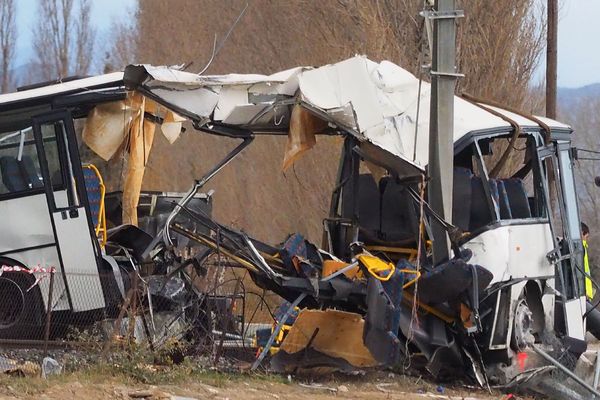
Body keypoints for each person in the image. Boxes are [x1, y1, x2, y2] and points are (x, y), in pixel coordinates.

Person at [582, 222, 594, 300]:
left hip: (585, 293)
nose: (586, 239)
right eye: (586, 237)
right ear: (582, 233)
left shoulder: (583, 247)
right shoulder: (580, 248)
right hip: (583, 293)